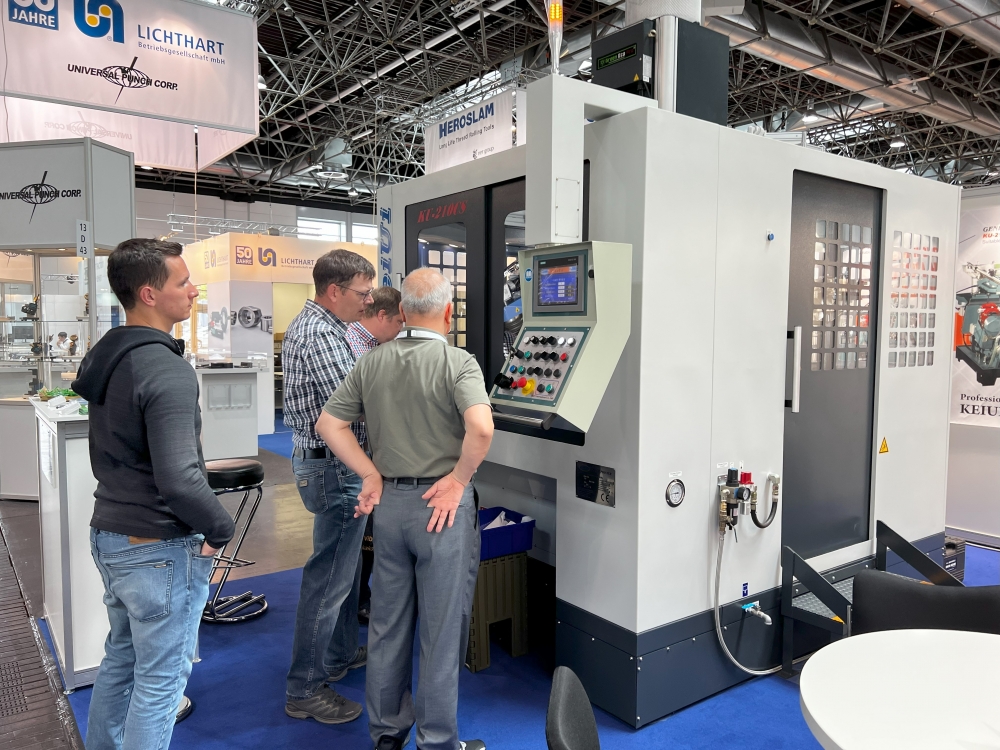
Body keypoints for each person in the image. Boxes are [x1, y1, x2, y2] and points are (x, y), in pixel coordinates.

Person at [316, 268, 493, 750]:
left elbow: (329, 424)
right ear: (449, 312)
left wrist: (370, 474)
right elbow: (481, 428)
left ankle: (387, 733)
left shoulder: (372, 361)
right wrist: (458, 480)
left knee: (387, 625)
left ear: (402, 312)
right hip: (442, 511)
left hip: (390, 507)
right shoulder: (458, 362)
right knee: (441, 630)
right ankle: (437, 741)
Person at [72, 239, 235, 750]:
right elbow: (181, 479)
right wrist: (221, 528)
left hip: (112, 536)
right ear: (149, 293)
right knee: (161, 682)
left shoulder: (109, 355)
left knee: (121, 661)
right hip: (157, 547)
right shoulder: (164, 367)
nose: (194, 290)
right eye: (183, 282)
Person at [282, 248, 376, 724]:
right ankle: (304, 688)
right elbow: (352, 403)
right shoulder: (319, 333)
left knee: (344, 569)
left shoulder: (330, 328)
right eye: (363, 292)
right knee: (329, 579)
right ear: (335, 291)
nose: (369, 301)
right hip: (334, 470)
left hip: (334, 467)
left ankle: (338, 655)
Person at [344, 286, 403, 625]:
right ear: (382, 316)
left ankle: (363, 597)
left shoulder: (376, 347)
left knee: (368, 534)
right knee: (360, 536)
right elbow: (348, 410)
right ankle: (359, 601)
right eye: (398, 322)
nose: (400, 330)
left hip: (370, 455)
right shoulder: (352, 348)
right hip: (353, 459)